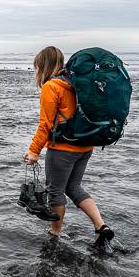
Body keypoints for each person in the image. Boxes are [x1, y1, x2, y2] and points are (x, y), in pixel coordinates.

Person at [23, 46, 114, 246]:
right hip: (85, 146)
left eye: (37, 67)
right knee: (74, 187)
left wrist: (34, 150)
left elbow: (45, 124)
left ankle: (54, 234)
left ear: (43, 66)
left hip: (63, 149)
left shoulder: (51, 86)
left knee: (55, 191)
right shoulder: (77, 83)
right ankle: (101, 226)